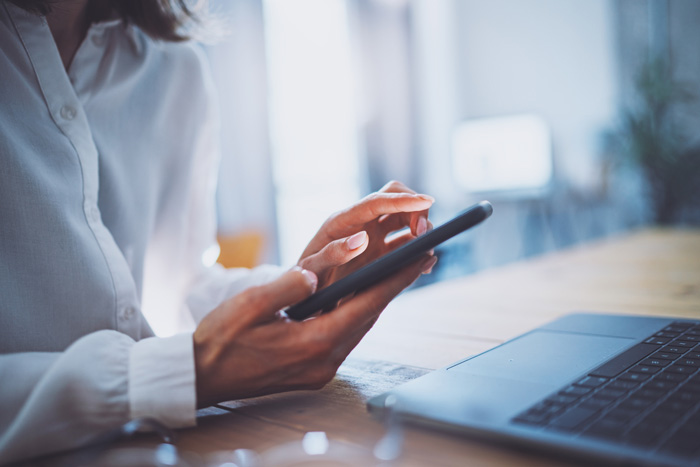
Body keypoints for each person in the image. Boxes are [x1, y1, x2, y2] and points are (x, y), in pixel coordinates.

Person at [0, 0, 436, 463]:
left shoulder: (173, 65)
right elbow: (177, 358)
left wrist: (301, 289)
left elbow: (177, 289)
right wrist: (184, 373)